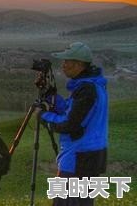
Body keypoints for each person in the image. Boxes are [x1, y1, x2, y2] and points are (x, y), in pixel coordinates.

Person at [40, 42, 108, 206]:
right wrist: (52, 97)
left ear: (79, 64)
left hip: (78, 159)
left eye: (66, 61)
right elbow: (74, 112)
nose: (63, 65)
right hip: (88, 157)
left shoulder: (87, 90)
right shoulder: (92, 85)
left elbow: (70, 124)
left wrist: (44, 117)